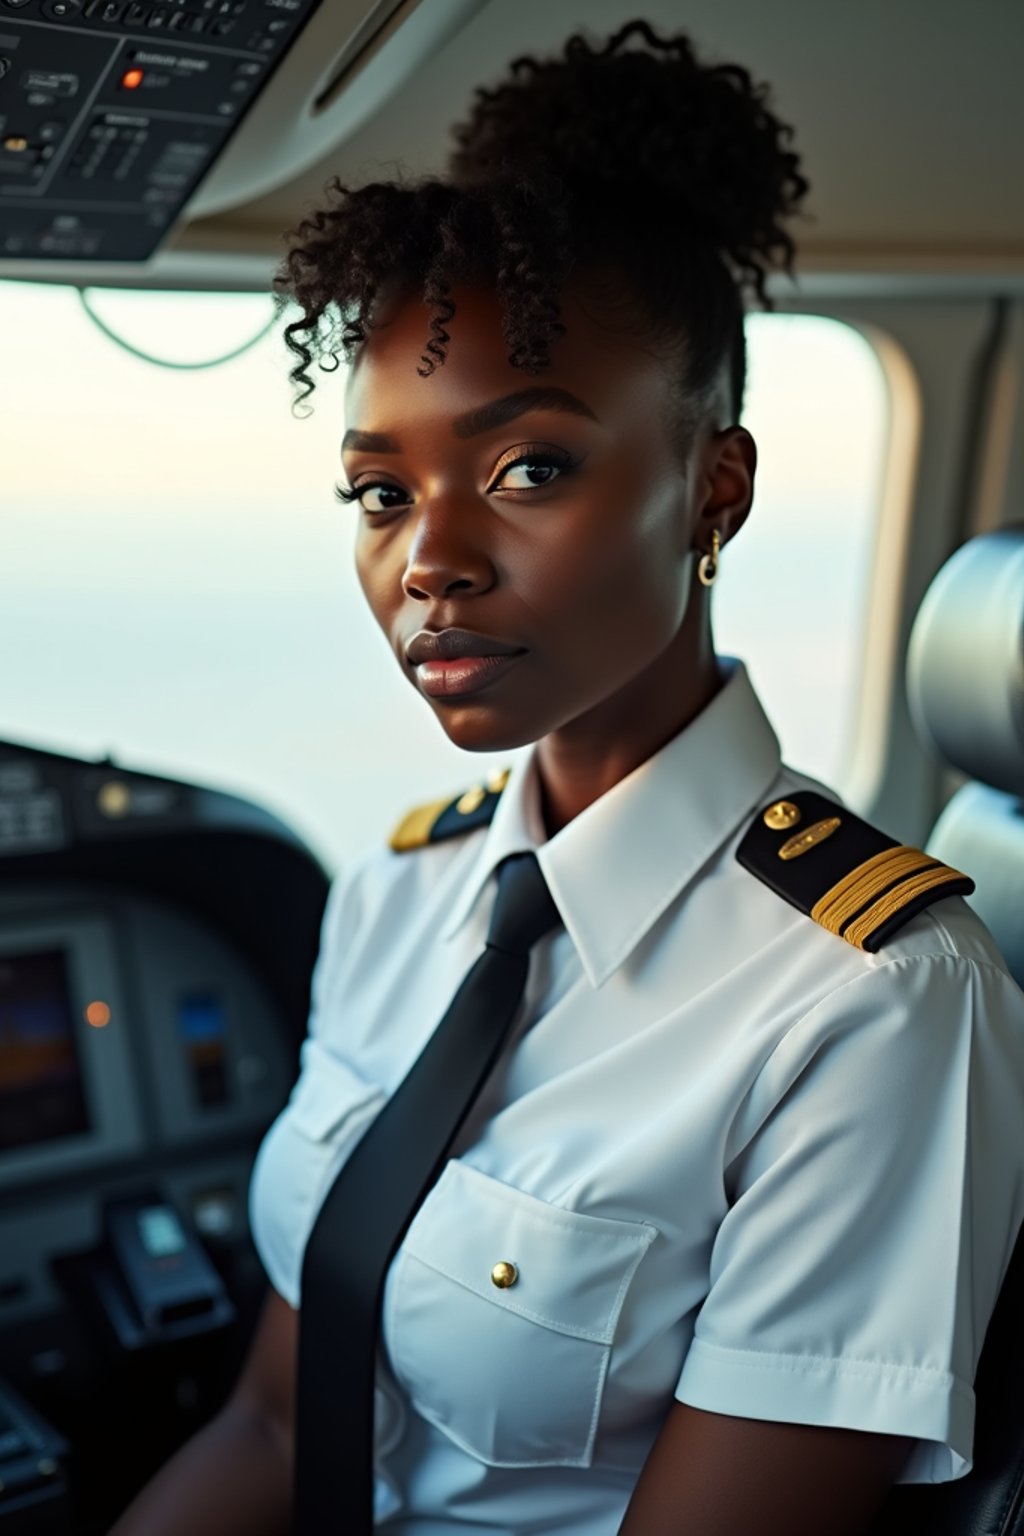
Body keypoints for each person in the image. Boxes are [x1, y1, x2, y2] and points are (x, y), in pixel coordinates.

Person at [110, 17, 1024, 1536]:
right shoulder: (400, 893)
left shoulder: (877, 998)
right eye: (380, 493)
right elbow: (276, 1424)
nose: (432, 562)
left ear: (711, 489)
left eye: (529, 467)